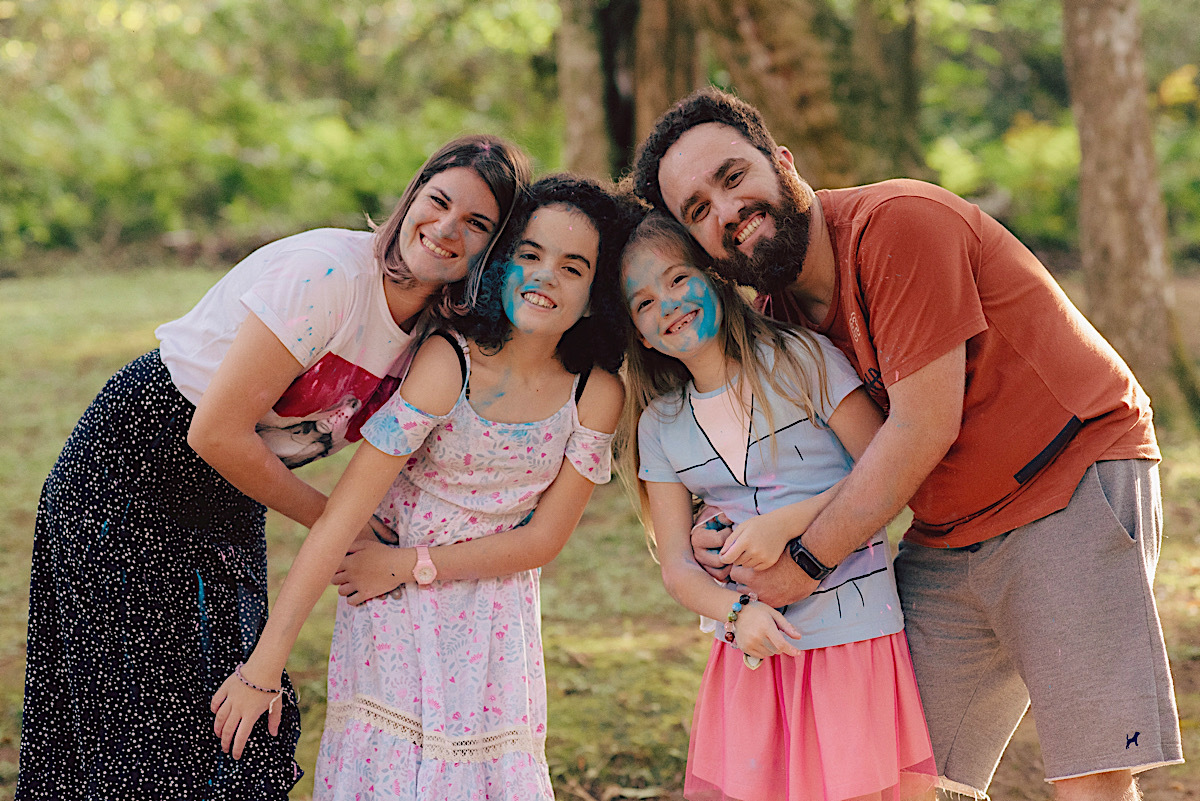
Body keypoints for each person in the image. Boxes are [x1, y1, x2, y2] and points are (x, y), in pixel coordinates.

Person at [630, 88, 1182, 801]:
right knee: (905, 773)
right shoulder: (778, 319)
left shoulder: (898, 225)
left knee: (1090, 774)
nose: (727, 211)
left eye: (733, 177)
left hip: (1065, 482)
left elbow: (923, 424)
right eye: (698, 210)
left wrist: (804, 561)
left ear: (783, 162)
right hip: (947, 531)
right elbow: (790, 462)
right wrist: (717, 531)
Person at [18, 134, 532, 801]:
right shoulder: (331, 275)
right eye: (438, 201)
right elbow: (215, 432)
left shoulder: (435, 334)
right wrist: (340, 523)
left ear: (494, 246)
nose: (446, 228)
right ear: (412, 196)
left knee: (238, 708)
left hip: (230, 492)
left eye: (477, 223)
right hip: (134, 466)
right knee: (140, 717)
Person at [210, 175, 632, 801]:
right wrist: (263, 668)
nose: (546, 277)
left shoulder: (595, 393)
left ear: (597, 294)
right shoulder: (450, 362)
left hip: (490, 614)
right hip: (392, 611)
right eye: (530, 254)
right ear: (500, 263)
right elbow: (341, 518)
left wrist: (410, 565)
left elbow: (543, 541)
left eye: (574, 267)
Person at [617, 210, 936, 801]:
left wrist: (787, 524)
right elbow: (677, 567)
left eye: (679, 278)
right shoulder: (660, 425)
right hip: (752, 649)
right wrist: (736, 613)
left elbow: (887, 471)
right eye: (644, 302)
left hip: (850, 638)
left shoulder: (802, 360)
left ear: (715, 277)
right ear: (640, 334)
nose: (668, 304)